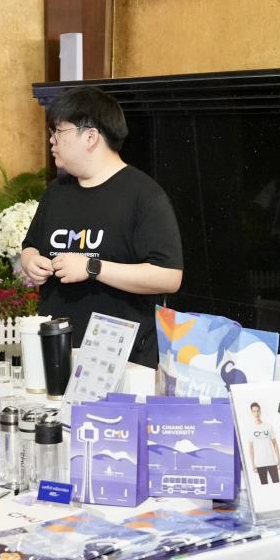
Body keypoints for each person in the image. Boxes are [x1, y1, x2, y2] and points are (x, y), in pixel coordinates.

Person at [18, 86, 184, 368]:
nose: (52, 140)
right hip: (57, 350)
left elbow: (168, 276)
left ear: (91, 137)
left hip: (121, 359)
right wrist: (31, 260)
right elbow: (30, 245)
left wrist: (92, 268)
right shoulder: (57, 192)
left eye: (59, 131)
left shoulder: (143, 195)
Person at [246, 402, 280, 484]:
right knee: (264, 485)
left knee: (277, 484)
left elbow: (275, 444)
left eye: (258, 411)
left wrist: (279, 459)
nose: (256, 413)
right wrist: (253, 464)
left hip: (272, 461)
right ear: (251, 413)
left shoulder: (268, 426)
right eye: (254, 411)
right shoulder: (250, 428)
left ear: (260, 411)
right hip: (260, 463)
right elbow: (251, 448)